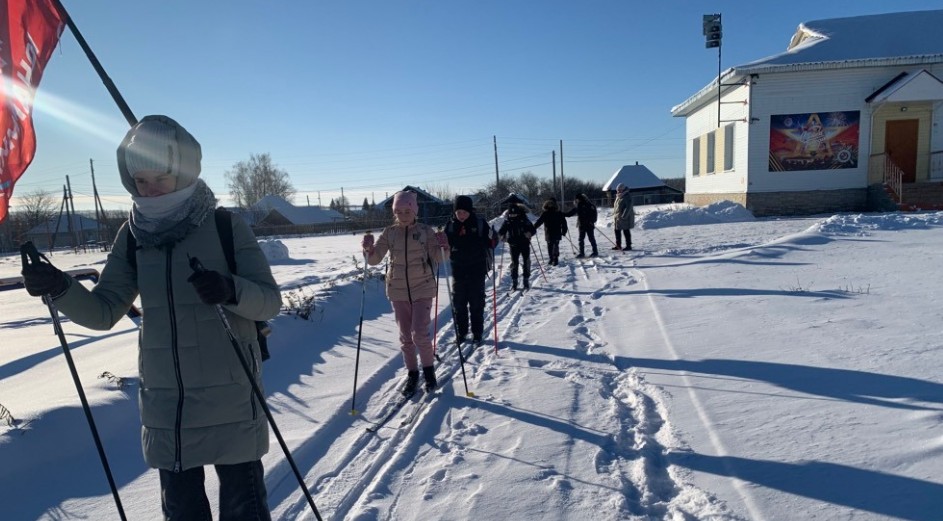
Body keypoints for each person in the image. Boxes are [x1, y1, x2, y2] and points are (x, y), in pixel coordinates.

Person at [20, 115, 281, 520]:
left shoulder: (225, 226)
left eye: (159, 177)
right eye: (140, 181)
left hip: (231, 400)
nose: (150, 189)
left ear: (184, 170)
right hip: (167, 409)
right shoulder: (133, 235)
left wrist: (231, 290)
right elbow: (106, 311)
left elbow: (269, 302)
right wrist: (59, 287)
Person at [362, 190, 446, 396]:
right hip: (398, 290)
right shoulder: (389, 233)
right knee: (406, 337)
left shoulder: (426, 231)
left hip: (422, 288)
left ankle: (429, 373)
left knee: (420, 333)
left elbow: (439, 257)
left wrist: (444, 245)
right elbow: (374, 260)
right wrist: (368, 250)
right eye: (399, 211)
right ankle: (412, 374)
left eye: (407, 210)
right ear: (394, 213)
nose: (403, 214)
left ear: (414, 211)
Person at [443, 195, 497, 345]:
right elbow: (444, 244)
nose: (461, 215)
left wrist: (494, 238)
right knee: (459, 304)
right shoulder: (451, 226)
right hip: (458, 271)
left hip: (477, 270)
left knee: (476, 303)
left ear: (470, 211)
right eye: (458, 212)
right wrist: (440, 243)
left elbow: (491, 243)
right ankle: (462, 333)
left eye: (464, 212)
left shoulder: (480, 224)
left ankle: (477, 333)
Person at [497, 203, 537, 290]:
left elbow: (533, 230)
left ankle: (526, 279)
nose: (512, 216)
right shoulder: (507, 221)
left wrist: (529, 233)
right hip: (513, 245)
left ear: (518, 213)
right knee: (514, 263)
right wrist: (501, 236)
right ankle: (514, 281)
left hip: (524, 243)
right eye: (511, 214)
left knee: (526, 261)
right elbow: (501, 231)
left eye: (514, 214)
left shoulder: (524, 220)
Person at [533, 197, 568, 266]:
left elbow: (539, 222)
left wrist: (533, 228)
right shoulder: (558, 213)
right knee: (555, 245)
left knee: (550, 246)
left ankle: (552, 259)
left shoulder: (545, 213)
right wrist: (564, 231)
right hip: (557, 232)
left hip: (549, 233)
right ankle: (555, 259)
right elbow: (564, 223)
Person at [564, 193, 599, 258]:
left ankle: (583, 253)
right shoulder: (589, 204)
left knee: (582, 239)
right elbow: (595, 215)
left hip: (584, 225)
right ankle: (594, 251)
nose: (575, 201)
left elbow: (570, 213)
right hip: (587, 225)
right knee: (590, 238)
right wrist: (592, 221)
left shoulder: (582, 205)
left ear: (578, 199)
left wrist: (562, 214)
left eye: (576, 199)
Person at [612, 183, 635, 251]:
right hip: (618, 217)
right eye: (617, 190)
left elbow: (628, 207)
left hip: (625, 218)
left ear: (623, 189)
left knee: (626, 231)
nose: (618, 191)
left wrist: (624, 216)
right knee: (617, 231)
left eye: (619, 190)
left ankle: (628, 245)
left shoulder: (627, 196)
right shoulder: (618, 196)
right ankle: (618, 245)